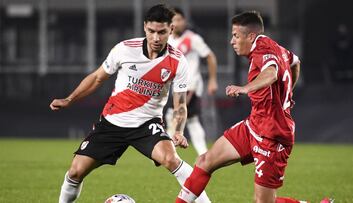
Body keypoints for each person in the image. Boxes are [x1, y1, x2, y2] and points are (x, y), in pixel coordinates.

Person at [50, 4, 211, 203]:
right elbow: (97, 78)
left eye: (161, 32)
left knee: (171, 159)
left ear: (171, 29)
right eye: (151, 31)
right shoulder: (125, 49)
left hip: (147, 124)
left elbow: (179, 105)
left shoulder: (178, 61)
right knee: (75, 172)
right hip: (112, 123)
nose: (155, 38)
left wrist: (178, 131)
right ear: (145, 27)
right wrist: (70, 99)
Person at [175, 11, 333, 203]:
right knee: (205, 161)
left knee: (264, 202)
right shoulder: (276, 48)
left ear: (251, 36)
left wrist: (245, 88)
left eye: (235, 36)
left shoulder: (261, 49)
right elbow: (295, 62)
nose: (232, 41)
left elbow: (271, 73)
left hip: (273, 135)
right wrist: (287, 94)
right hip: (254, 125)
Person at [165, 7, 218, 155]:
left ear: (185, 21)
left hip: (191, 85)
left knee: (181, 116)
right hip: (173, 85)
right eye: (174, 20)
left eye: (180, 19)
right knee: (183, 117)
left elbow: (210, 56)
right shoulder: (167, 40)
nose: (177, 23)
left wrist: (212, 80)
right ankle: (201, 154)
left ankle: (170, 152)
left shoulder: (193, 38)